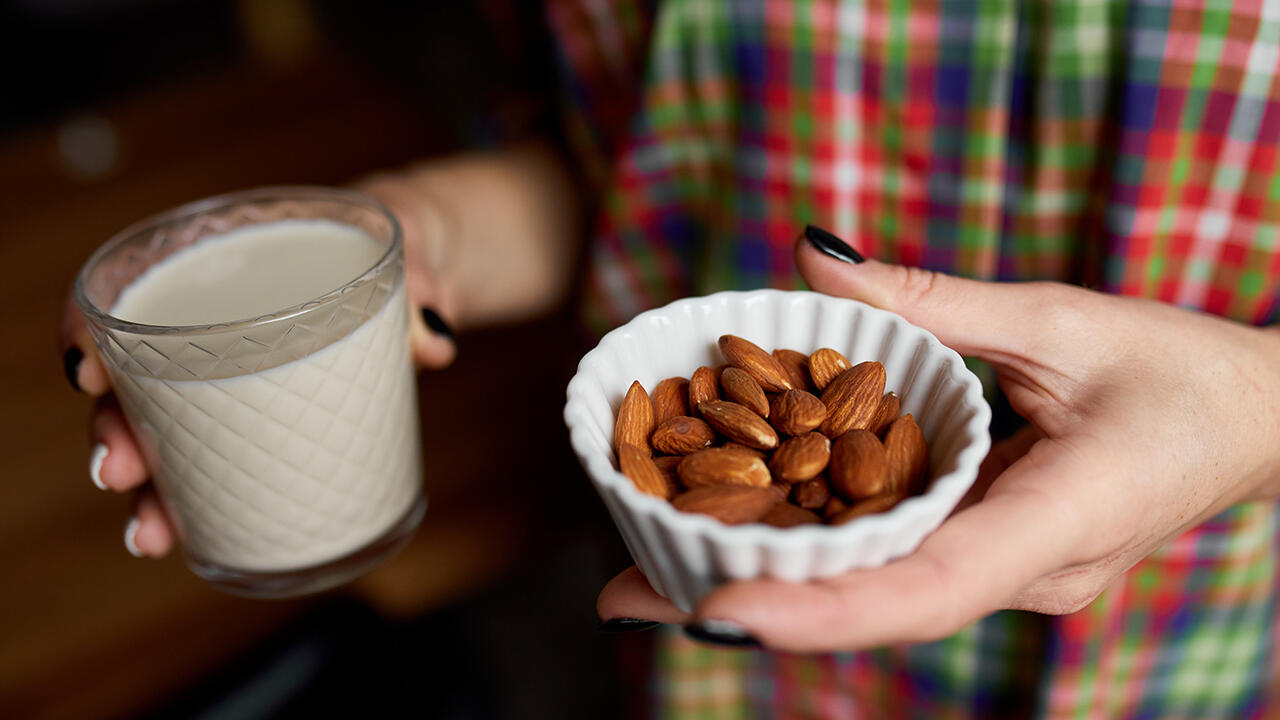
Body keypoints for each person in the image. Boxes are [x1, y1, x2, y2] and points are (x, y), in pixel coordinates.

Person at [61, 0, 1280, 717]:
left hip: (1167, 652)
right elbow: (618, 167)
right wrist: (427, 233)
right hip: (709, 654)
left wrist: (1243, 417)